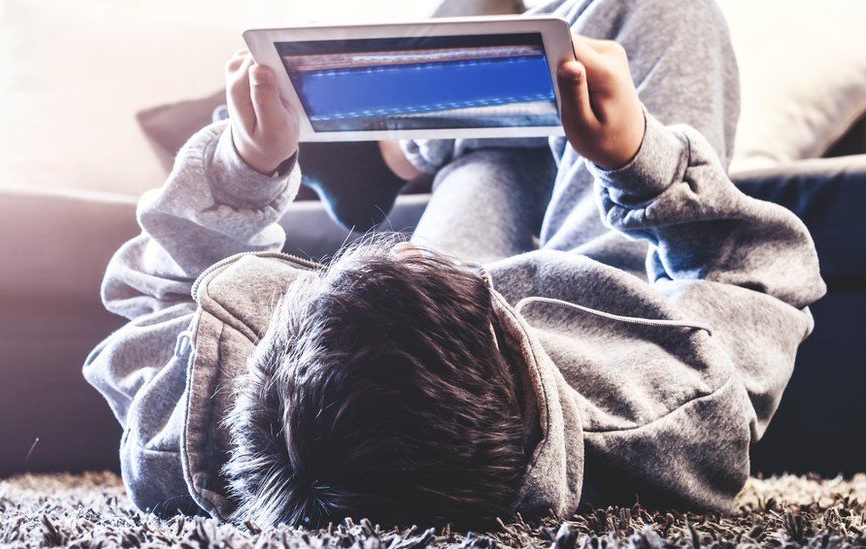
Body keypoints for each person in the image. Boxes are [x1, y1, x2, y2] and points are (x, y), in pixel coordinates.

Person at [84, 0, 825, 528]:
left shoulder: (191, 435)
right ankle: (443, 117)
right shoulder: (659, 417)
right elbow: (764, 272)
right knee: (659, 10)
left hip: (453, 334)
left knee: (501, 143)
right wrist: (642, 161)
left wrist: (244, 166)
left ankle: (411, 143)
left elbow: (157, 289)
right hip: (599, 328)